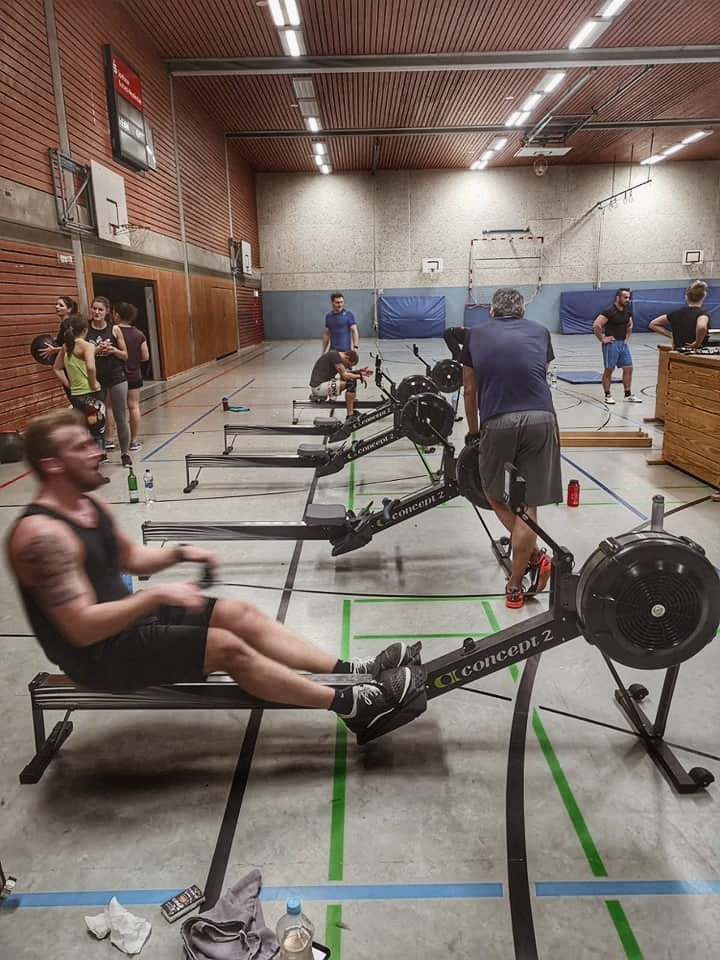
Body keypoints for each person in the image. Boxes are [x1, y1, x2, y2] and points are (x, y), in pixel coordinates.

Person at [5, 409, 417, 735]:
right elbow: (80, 629)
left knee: (239, 614)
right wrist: (155, 596)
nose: (97, 451)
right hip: (99, 656)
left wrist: (183, 552)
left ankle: (347, 671)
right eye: (81, 447)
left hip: (126, 622)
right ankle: (350, 706)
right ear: (52, 465)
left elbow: (130, 558)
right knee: (226, 647)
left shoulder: (88, 504)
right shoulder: (41, 536)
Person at [461, 288, 561, 610]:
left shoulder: (474, 335)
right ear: (522, 312)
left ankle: (534, 558)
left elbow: (469, 389)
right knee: (529, 503)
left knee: (493, 493)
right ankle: (516, 585)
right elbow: (538, 373)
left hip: (498, 420)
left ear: (491, 311)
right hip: (542, 418)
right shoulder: (541, 332)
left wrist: (474, 432)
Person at [51, 316, 109, 483]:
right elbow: (90, 366)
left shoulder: (66, 347)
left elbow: (57, 368)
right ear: (85, 330)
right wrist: (93, 382)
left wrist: (69, 384)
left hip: (76, 395)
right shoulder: (87, 346)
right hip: (91, 394)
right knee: (97, 431)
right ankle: (94, 471)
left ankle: (81, 467)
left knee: (83, 431)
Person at [86, 296, 132, 467]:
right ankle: (101, 452)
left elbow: (125, 355)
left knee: (120, 416)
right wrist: (95, 349)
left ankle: (125, 454)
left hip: (116, 377)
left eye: (100, 309)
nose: (97, 312)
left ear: (106, 312)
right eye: (94, 308)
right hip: (95, 379)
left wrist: (113, 350)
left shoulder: (115, 330)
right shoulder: (85, 330)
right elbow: (79, 354)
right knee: (96, 418)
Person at [592, 288, 642, 405]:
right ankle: (608, 395)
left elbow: (630, 325)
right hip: (611, 344)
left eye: (628, 297)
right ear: (618, 298)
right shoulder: (609, 311)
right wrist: (602, 339)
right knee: (609, 369)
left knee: (628, 368)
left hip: (622, 344)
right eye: (625, 297)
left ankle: (628, 394)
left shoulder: (627, 311)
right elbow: (596, 325)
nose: (627, 300)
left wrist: (626, 338)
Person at [114, 301, 149, 450]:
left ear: (116, 315)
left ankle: (108, 440)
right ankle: (133, 441)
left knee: (112, 408)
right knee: (134, 406)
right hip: (134, 374)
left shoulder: (113, 332)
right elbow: (145, 356)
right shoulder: (139, 334)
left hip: (116, 376)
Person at [309, 349, 373, 419]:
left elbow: (346, 373)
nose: (347, 367)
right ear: (346, 357)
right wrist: (359, 376)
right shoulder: (335, 357)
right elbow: (344, 375)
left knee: (352, 379)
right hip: (318, 388)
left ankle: (351, 408)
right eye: (348, 365)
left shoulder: (336, 356)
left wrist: (359, 372)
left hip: (322, 385)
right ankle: (350, 415)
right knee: (351, 384)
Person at [648, 281, 711, 349]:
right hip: (695, 352)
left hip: (678, 351)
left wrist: (671, 335)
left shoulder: (676, 313)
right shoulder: (702, 313)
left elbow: (653, 324)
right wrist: (697, 343)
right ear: (704, 297)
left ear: (686, 297)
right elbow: (701, 327)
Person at [38, 295, 78, 364]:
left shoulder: (66, 324)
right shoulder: (67, 323)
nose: (57, 306)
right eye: (56, 304)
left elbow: (74, 345)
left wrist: (54, 350)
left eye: (61, 305)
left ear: (69, 309)